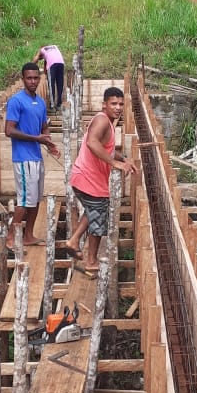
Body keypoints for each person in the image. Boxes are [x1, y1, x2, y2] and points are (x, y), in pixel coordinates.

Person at [65, 87, 137, 276]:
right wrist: (114, 163)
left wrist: (122, 159)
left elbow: (107, 148)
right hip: (89, 179)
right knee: (98, 221)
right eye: (113, 103)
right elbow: (92, 142)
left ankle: (73, 241)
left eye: (121, 104)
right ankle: (91, 262)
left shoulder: (108, 123)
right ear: (104, 104)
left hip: (85, 179)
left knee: (94, 211)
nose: (118, 107)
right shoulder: (102, 120)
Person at [5, 63, 59, 250]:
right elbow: (9, 130)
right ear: (23, 79)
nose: (33, 81)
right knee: (24, 201)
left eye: (36, 78)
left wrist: (49, 143)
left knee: (36, 199)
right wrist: (36, 138)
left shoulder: (41, 102)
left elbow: (44, 127)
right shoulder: (16, 101)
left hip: (36, 157)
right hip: (23, 158)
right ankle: (11, 236)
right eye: (29, 78)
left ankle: (28, 235)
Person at [32, 44, 65, 110]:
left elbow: (36, 58)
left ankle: (52, 105)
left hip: (52, 64)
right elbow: (46, 64)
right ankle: (59, 104)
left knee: (51, 85)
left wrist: (30, 66)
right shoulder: (55, 46)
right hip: (61, 63)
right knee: (60, 83)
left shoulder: (42, 49)